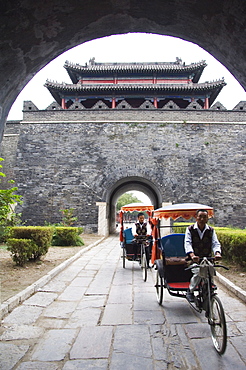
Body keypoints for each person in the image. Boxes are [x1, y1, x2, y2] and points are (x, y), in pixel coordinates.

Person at [184, 209, 222, 302]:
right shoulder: (190, 229)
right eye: (200, 216)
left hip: (207, 258)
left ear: (207, 219)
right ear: (196, 218)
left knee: (210, 271)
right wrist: (192, 255)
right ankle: (190, 290)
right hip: (194, 259)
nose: (202, 219)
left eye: (204, 217)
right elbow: (187, 243)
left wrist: (217, 253)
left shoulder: (211, 230)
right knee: (198, 272)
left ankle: (209, 287)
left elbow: (215, 243)